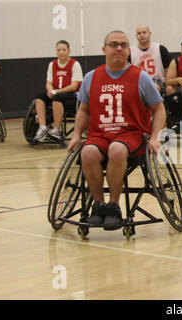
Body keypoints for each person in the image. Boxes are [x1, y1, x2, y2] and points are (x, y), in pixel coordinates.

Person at [67, 30, 166, 230]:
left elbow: (159, 109)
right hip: (100, 134)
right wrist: (77, 135)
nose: (119, 48)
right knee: (87, 152)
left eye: (123, 45)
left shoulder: (141, 77)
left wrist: (155, 137)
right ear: (104, 49)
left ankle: (113, 205)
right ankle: (99, 204)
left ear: (129, 50)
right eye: (114, 44)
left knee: (117, 150)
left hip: (132, 135)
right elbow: (84, 111)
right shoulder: (91, 77)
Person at [33, 40, 83, 141]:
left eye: (64, 49)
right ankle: (42, 127)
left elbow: (74, 86)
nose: (61, 52)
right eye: (59, 50)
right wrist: (51, 90)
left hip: (72, 95)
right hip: (57, 93)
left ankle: (56, 128)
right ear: (56, 52)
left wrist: (56, 92)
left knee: (57, 97)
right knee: (40, 96)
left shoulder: (75, 64)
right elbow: (48, 82)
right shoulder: (52, 64)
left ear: (69, 51)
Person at [130, 24, 172, 93]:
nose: (142, 35)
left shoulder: (160, 49)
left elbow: (168, 71)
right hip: (139, 82)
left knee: (154, 87)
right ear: (136, 36)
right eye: (139, 33)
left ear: (150, 34)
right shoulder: (130, 52)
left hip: (158, 81)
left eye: (144, 32)